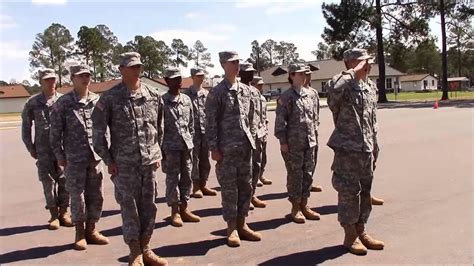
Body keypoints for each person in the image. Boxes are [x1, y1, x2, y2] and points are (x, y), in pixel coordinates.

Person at [92, 52, 167, 265]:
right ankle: (134, 252)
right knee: (129, 208)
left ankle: (146, 248)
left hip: (148, 163)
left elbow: (159, 127)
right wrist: (109, 160)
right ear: (121, 70)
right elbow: (97, 132)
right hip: (124, 165)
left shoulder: (153, 95)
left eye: (138, 67)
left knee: (149, 207)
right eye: (132, 67)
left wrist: (156, 152)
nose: (136, 71)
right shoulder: (109, 98)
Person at [326, 48, 384, 255]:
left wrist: (375, 144)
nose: (367, 66)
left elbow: (372, 120)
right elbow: (331, 89)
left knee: (366, 193)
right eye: (362, 62)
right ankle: (349, 235)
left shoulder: (370, 88)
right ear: (350, 64)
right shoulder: (342, 86)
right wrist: (353, 71)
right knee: (349, 193)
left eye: (368, 62)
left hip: (367, 148)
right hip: (347, 150)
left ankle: (362, 230)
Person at [49, 65, 109, 250]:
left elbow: (104, 128)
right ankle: (79, 233)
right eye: (81, 76)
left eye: (88, 75)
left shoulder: (97, 100)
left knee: (96, 196)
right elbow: (55, 133)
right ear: (72, 78)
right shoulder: (64, 103)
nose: (85, 79)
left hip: (95, 157)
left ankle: (92, 229)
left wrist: (107, 154)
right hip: (74, 159)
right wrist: (59, 156)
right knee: (77, 197)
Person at [205, 51, 261, 247]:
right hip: (226, 150)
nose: (236, 65)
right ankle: (231, 228)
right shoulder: (217, 92)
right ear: (223, 65)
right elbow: (210, 122)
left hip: (245, 148)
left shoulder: (248, 91)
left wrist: (252, 138)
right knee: (230, 189)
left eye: (238, 61)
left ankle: (242, 224)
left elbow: (253, 118)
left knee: (245, 187)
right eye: (232, 62)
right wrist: (214, 147)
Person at [21, 68, 73, 230]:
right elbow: (26, 126)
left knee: (65, 182)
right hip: (43, 150)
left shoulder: (64, 100)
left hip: (63, 149)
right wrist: (30, 146)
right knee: (48, 183)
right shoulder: (33, 102)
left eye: (53, 79)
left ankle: (64, 212)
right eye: (47, 80)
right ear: (40, 82)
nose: (51, 82)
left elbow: (72, 125)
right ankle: (53, 215)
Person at [274, 63, 321, 224]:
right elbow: (280, 122)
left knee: (308, 174)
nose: (303, 76)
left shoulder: (312, 94)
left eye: (304, 74)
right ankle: (295, 207)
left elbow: (315, 117)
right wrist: (283, 142)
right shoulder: (286, 97)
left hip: (310, 141)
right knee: (295, 175)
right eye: (299, 74)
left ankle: (305, 204)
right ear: (292, 75)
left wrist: (315, 135)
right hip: (293, 143)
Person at [161, 67, 201, 227]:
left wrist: (191, 141)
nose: (177, 82)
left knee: (187, 178)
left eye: (179, 79)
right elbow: (158, 127)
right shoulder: (161, 101)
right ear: (166, 81)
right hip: (169, 148)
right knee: (172, 180)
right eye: (173, 79)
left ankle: (184, 208)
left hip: (186, 146)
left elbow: (191, 124)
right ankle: (174, 212)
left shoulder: (186, 100)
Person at [182, 67, 217, 198]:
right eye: (198, 76)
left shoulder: (207, 94)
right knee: (194, 160)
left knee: (205, 159)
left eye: (202, 75)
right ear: (192, 77)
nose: (201, 78)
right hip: (192, 133)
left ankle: (204, 184)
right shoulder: (186, 95)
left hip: (206, 131)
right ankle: (196, 186)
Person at [238, 62, 267, 209]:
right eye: (247, 72)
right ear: (240, 73)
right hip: (242, 139)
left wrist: (262, 133)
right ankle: (243, 199)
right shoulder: (236, 91)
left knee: (256, 167)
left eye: (252, 72)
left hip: (257, 136)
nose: (251, 74)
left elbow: (258, 115)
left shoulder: (256, 92)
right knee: (244, 171)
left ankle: (252, 194)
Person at [303, 66, 323, 193]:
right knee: (300, 164)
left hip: (313, 131)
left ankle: (309, 182)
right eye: (306, 74)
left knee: (313, 159)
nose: (308, 77)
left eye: (309, 74)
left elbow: (316, 111)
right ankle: (300, 187)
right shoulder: (294, 92)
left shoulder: (313, 92)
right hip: (300, 134)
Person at [251, 76, 272, 186]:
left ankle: (261, 175)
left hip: (263, 131)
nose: (261, 87)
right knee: (255, 157)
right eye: (259, 85)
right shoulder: (249, 97)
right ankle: (255, 177)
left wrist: (266, 127)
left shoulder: (263, 99)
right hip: (255, 133)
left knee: (263, 156)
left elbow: (264, 116)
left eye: (261, 85)